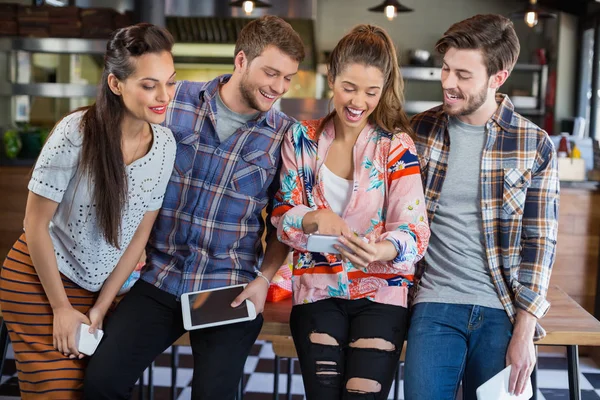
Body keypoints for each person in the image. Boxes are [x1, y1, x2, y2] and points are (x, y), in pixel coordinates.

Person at [84, 15, 305, 400]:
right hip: (159, 276)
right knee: (101, 384)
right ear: (240, 61)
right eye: (271, 73)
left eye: (288, 78)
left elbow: (285, 221)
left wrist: (264, 280)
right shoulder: (174, 101)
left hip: (228, 288)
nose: (278, 87)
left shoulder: (286, 135)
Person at [0, 23, 177, 399]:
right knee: (62, 393)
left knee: (102, 387)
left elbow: (139, 237)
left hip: (101, 292)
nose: (164, 96)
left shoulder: (164, 145)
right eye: (149, 85)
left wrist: (102, 305)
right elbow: (34, 223)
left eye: (170, 82)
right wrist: (61, 308)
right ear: (116, 84)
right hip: (40, 278)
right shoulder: (75, 132)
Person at [403, 14, 560, 400]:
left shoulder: (533, 145)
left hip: (502, 310)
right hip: (434, 301)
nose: (448, 83)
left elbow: (540, 243)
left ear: (498, 78)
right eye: (445, 69)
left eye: (463, 75)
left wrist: (524, 330)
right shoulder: (419, 131)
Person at [271, 24, 430, 400]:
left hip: (382, 294)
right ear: (331, 77)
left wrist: (381, 250)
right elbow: (281, 215)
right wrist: (310, 218)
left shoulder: (396, 148)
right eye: (349, 88)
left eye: (371, 92)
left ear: (384, 89)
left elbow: (415, 231)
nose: (358, 101)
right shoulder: (301, 139)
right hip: (316, 291)